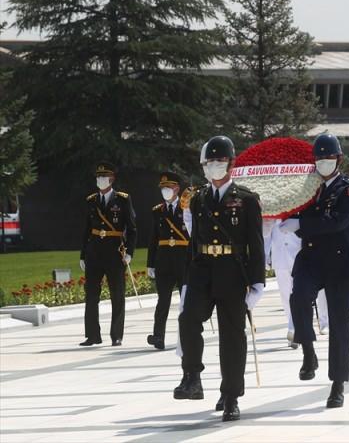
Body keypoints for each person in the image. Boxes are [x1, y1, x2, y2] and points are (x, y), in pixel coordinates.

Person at [174, 136, 265, 422]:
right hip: (202, 270)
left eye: (220, 161)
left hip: (232, 272)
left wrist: (257, 281)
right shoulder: (199, 198)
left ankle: (231, 395)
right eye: (209, 162)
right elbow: (193, 241)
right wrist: (188, 278)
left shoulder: (246, 199)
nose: (214, 166)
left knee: (232, 336)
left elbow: (256, 243)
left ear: (231, 164)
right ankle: (192, 376)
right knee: (188, 319)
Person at [287, 133, 349, 409]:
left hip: (340, 263)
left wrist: (301, 224)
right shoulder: (308, 188)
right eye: (318, 159)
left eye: (328, 158)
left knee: (340, 324)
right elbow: (290, 207)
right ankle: (308, 349)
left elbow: (337, 222)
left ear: (339, 160)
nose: (323, 163)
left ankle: (338, 384)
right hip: (311, 259)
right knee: (298, 298)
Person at [79, 162, 137, 347]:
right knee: (91, 295)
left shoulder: (122, 199)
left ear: (112, 179)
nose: (100, 180)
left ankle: (116, 335)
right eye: (98, 177)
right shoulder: (91, 201)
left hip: (114, 251)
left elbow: (132, 228)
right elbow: (87, 230)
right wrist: (82, 255)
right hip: (94, 252)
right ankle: (92, 335)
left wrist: (129, 251)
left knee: (117, 294)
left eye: (104, 177)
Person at [146, 172, 190, 351]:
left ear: (177, 189)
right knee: (162, 301)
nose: (165, 191)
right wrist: (150, 263)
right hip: (164, 260)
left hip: (183, 259)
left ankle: (187, 335)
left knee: (185, 302)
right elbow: (153, 238)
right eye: (163, 188)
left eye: (168, 187)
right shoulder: (158, 211)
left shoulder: (187, 208)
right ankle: (158, 337)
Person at [263, 215, 301, 349]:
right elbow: (267, 235)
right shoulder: (273, 214)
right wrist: (265, 255)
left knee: (298, 295)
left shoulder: (297, 209)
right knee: (285, 296)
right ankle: (293, 325)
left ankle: (294, 328)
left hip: (298, 256)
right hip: (280, 259)